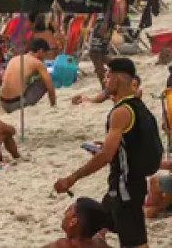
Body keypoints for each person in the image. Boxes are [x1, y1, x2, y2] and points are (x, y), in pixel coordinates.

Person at [54, 58, 161, 248]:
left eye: (107, 76)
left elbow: (106, 157)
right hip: (129, 185)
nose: (105, 81)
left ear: (118, 80)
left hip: (125, 187)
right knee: (98, 223)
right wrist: (107, 145)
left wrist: (72, 178)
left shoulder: (120, 112)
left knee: (134, 242)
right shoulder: (139, 106)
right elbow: (134, 142)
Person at [0, 37, 58, 113]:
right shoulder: (37, 63)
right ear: (40, 51)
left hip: (3, 103)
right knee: (46, 79)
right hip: (16, 104)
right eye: (45, 54)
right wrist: (54, 106)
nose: (45, 58)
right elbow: (50, 88)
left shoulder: (14, 59)